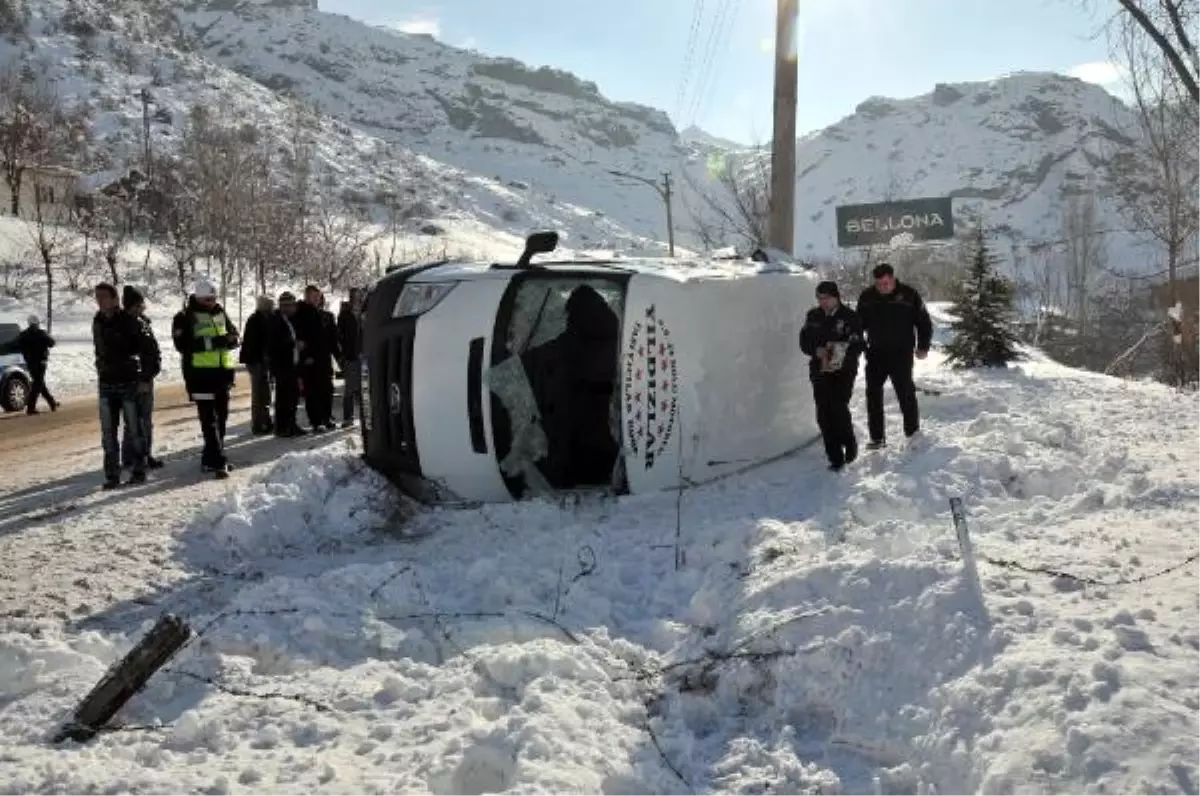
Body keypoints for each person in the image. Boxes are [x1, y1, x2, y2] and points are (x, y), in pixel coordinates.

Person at [856, 262, 934, 449]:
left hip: (901, 353)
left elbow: (924, 322)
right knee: (873, 394)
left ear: (893, 279)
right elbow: (858, 325)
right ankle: (877, 437)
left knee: (905, 392)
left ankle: (912, 432)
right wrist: (859, 344)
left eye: (886, 283)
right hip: (875, 353)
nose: (882, 287)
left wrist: (923, 346)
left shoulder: (909, 295)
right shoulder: (867, 297)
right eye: (879, 284)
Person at [172, 278, 239, 479]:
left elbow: (232, 333)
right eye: (208, 299)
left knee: (222, 417)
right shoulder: (185, 317)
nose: (212, 302)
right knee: (209, 419)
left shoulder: (219, 311)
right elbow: (184, 345)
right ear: (199, 298)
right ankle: (218, 461)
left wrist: (233, 339)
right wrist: (219, 341)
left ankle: (210, 457)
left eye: (214, 298)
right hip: (200, 375)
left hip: (222, 373)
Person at [799, 281, 864, 471]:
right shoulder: (813, 316)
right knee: (823, 412)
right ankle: (835, 457)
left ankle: (849, 442)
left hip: (844, 371)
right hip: (819, 370)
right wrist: (816, 351)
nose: (823, 302)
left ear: (836, 297)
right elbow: (803, 342)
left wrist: (838, 353)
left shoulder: (850, 317)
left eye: (827, 298)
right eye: (820, 299)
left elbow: (858, 345)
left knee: (838, 407)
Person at [92, 282, 148, 489]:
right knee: (108, 434)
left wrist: (144, 378)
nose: (99, 301)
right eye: (97, 297)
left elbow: (148, 351)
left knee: (134, 430)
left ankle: (139, 470)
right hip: (106, 383)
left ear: (115, 299)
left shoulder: (130, 321)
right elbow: (98, 350)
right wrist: (100, 366)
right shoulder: (97, 321)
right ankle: (112, 475)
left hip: (128, 382)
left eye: (103, 297)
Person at [120, 286, 164, 471]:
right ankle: (138, 456)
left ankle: (139, 455)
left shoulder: (142, 323)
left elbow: (151, 351)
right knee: (138, 420)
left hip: (145, 377)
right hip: (137, 379)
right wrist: (143, 378)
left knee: (141, 420)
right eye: (139, 305)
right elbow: (133, 355)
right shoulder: (127, 325)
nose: (142, 308)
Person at [297, 285, 339, 432]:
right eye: (314, 297)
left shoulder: (324, 315)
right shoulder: (300, 313)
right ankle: (316, 421)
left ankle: (326, 417)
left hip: (324, 359)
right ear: (307, 296)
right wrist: (305, 356)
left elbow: (332, 340)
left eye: (318, 297)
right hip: (310, 361)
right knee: (312, 392)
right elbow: (299, 338)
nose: (317, 299)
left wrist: (338, 356)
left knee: (327, 390)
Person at [267, 291, 305, 438]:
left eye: (292, 305)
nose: (291, 308)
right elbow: (273, 344)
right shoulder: (275, 320)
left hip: (292, 363)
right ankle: (283, 427)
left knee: (292, 396)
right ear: (282, 306)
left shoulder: (291, 320)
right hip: (282, 365)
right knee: (284, 398)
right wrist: (293, 345)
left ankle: (290, 424)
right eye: (288, 305)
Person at [240, 295, 275, 435]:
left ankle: (265, 421)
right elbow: (253, 344)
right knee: (258, 394)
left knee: (265, 393)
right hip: (256, 362)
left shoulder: (268, 319)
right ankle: (257, 424)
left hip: (262, 362)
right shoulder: (255, 320)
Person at [13, 315, 58, 414]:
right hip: (41, 362)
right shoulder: (41, 333)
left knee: (39, 383)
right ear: (37, 323)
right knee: (38, 384)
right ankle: (31, 407)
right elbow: (52, 343)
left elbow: (16, 344)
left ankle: (52, 402)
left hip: (30, 363)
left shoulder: (23, 335)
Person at [337, 289, 363, 428]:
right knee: (350, 388)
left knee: (363, 387)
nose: (358, 299)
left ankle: (365, 417)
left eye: (360, 296)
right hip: (351, 355)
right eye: (356, 296)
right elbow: (339, 335)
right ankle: (348, 417)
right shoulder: (345, 314)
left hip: (365, 355)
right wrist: (343, 352)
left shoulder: (367, 312)